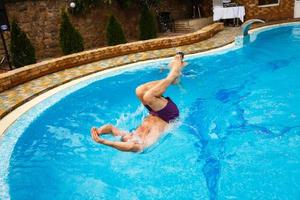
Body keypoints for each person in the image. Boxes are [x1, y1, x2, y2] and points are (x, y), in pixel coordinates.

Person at [91, 53, 186, 152]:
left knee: (139, 91)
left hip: (155, 112)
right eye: (129, 139)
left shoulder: (128, 135)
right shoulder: (144, 144)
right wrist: (104, 142)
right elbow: (130, 147)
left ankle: (172, 81)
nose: (130, 136)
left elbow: (110, 128)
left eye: (127, 138)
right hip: (168, 116)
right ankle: (173, 75)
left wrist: (98, 131)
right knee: (149, 97)